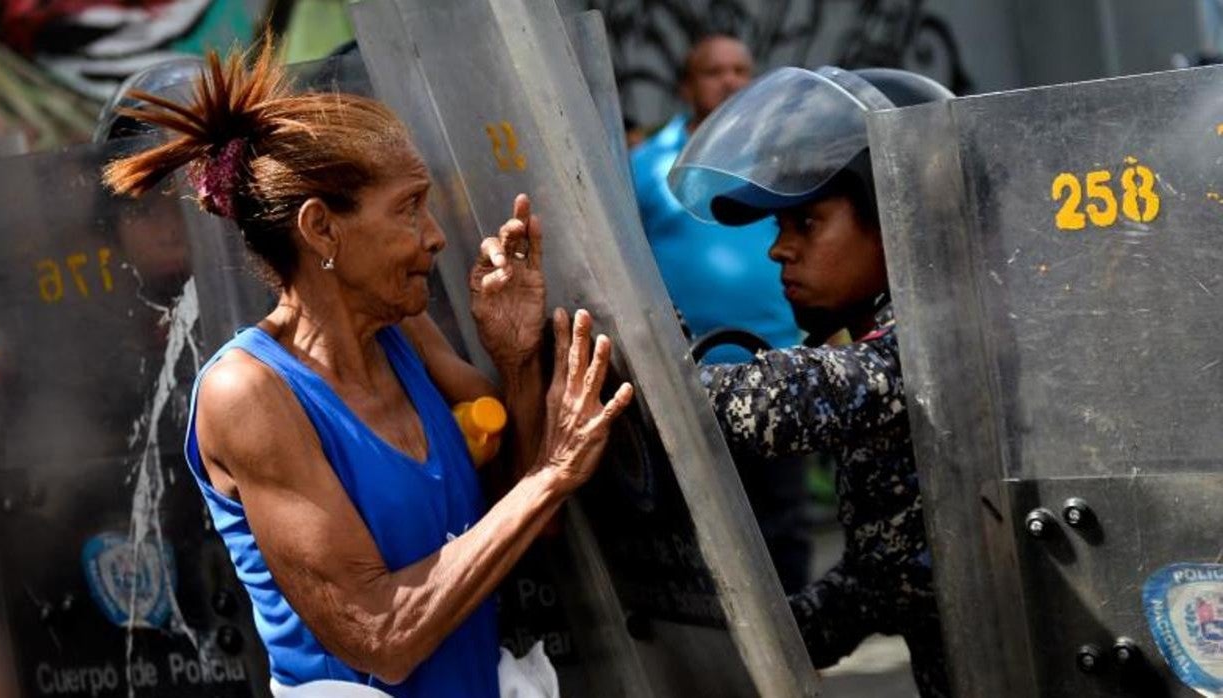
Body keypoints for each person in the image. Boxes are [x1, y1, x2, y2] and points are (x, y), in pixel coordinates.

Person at [102, 42, 634, 698]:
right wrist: (553, 472)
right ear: (322, 229)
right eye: (409, 207)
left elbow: (523, 522)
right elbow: (382, 637)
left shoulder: (404, 331)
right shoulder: (246, 392)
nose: (435, 235)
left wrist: (517, 361)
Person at [669, 65, 956, 697]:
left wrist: (637, 364)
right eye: (779, 227)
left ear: (897, 217)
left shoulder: (942, 343)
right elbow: (881, 579)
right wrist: (742, 644)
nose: (779, 249)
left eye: (806, 224)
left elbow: (765, 405)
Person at [629, 34, 800, 364]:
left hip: (782, 362)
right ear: (686, 87)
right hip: (681, 366)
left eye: (740, 71)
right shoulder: (645, 164)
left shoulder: (781, 160)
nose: (730, 81)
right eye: (713, 72)